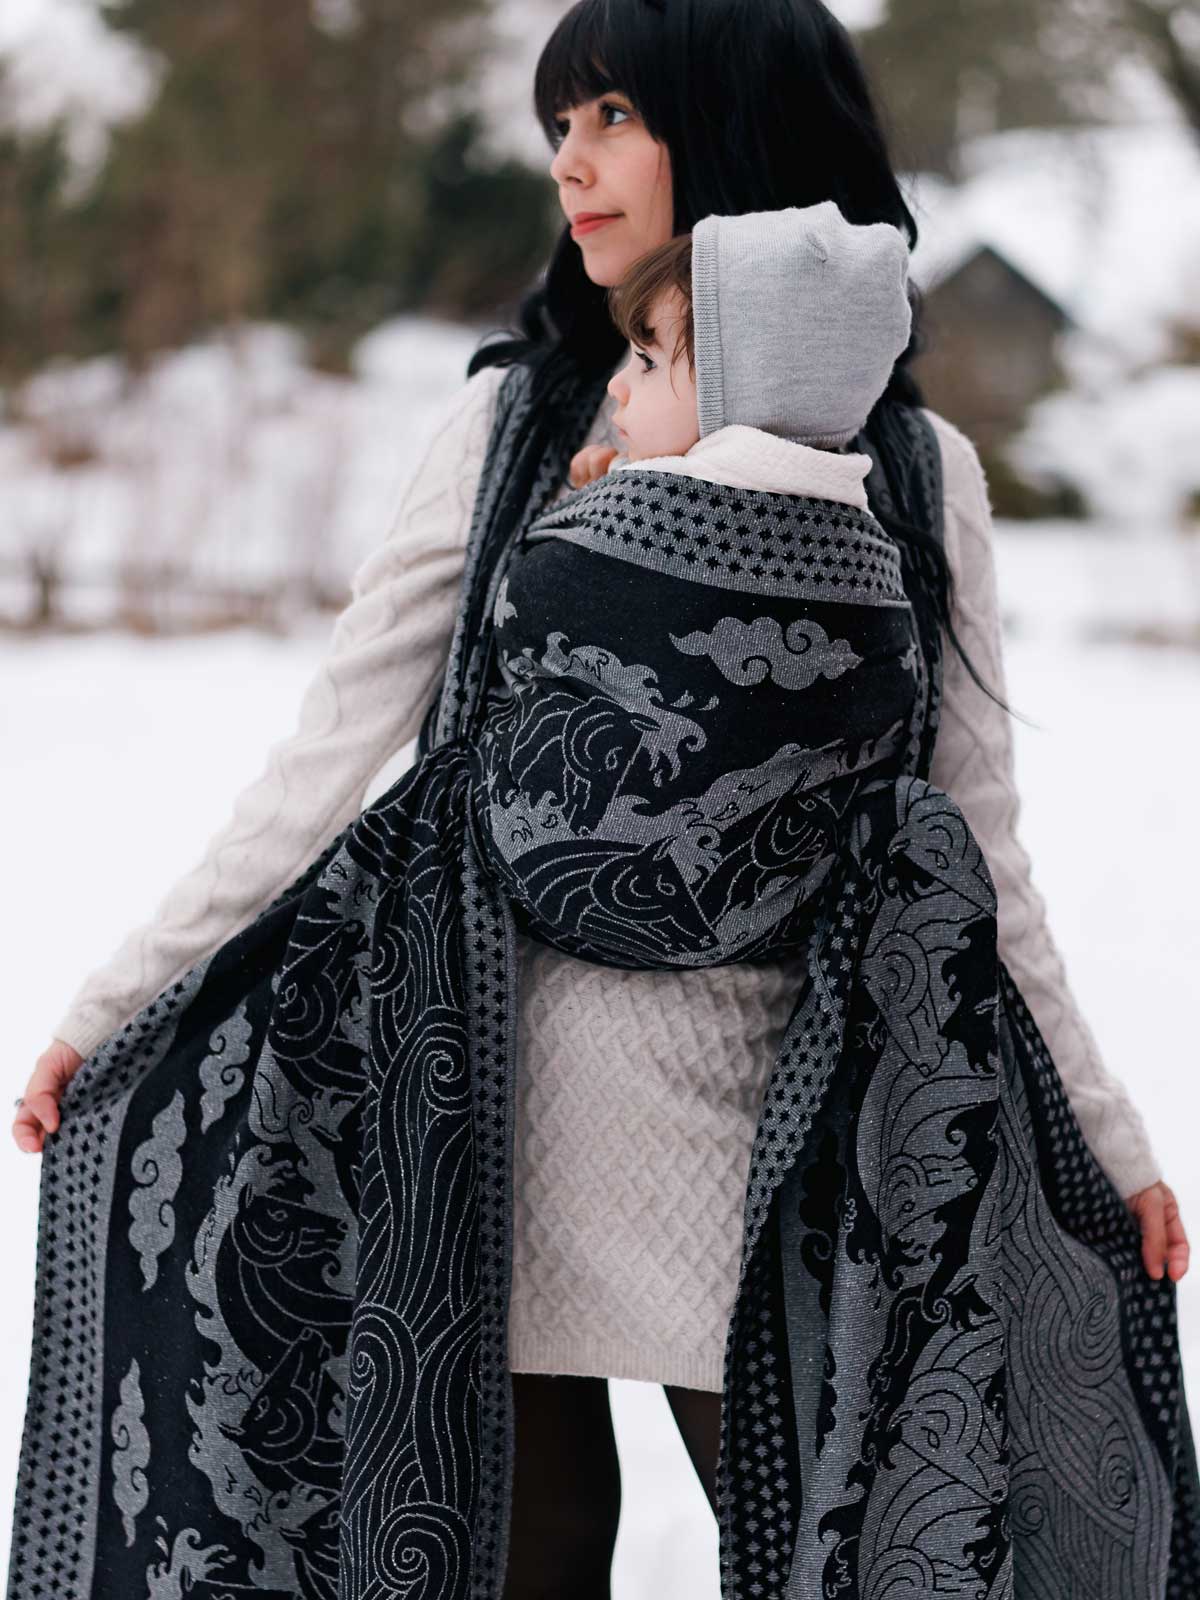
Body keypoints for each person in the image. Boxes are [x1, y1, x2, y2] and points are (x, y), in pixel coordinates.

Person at [11, 2, 1195, 1596]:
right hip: (489, 1126)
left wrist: (1106, 1145)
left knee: (811, 1538)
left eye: (613, 115)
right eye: (557, 123)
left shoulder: (915, 474)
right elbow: (330, 750)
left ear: (739, 132)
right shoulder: (508, 433)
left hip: (773, 1142)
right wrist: (123, 999)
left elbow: (973, 851)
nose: (569, 163)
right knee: (530, 1544)